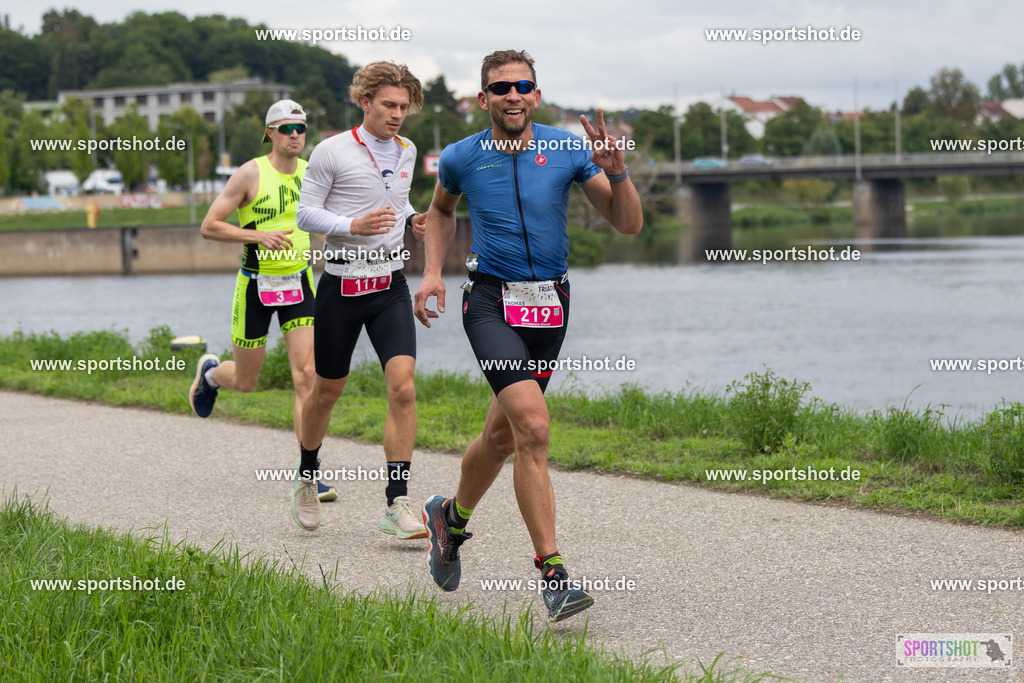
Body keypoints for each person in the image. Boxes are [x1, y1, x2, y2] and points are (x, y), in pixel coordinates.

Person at [413, 50, 643, 622]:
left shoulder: (567, 149)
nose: (512, 95)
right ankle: (554, 574)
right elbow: (440, 213)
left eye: (523, 86)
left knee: (502, 437)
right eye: (500, 88)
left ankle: (449, 519)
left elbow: (628, 223)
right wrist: (435, 272)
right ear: (483, 98)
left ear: (536, 96)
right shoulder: (463, 157)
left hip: (551, 304)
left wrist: (617, 173)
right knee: (534, 428)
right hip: (490, 301)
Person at [290, 61, 428, 537]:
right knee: (326, 391)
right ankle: (307, 474)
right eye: (389, 105)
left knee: (404, 387)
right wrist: (351, 226)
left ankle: (397, 502)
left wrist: (412, 220)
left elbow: (396, 199)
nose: (396, 115)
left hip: (389, 284)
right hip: (342, 285)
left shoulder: (407, 150)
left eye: (404, 108)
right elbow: (305, 214)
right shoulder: (330, 151)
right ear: (365, 101)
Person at [189, 99, 336, 503]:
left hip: (300, 284)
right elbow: (210, 226)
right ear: (269, 132)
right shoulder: (251, 173)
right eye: (286, 128)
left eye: (301, 128)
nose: (295, 135)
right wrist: (258, 236)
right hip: (256, 285)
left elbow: (332, 221)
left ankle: (309, 471)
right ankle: (212, 374)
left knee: (307, 375)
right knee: (247, 382)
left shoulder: (313, 175)